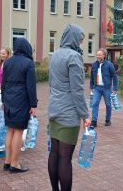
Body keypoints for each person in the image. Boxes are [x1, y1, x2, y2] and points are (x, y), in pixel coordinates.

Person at [48, 24, 91, 191]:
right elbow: (77, 90)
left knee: (54, 153)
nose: (80, 44)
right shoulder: (74, 57)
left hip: (54, 110)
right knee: (65, 158)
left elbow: (51, 84)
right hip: (68, 113)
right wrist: (85, 115)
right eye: (80, 40)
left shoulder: (55, 54)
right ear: (73, 38)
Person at [1, 38, 37, 173]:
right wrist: (33, 104)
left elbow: (3, 83)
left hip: (9, 98)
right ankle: (15, 163)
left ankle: (7, 161)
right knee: (18, 130)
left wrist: (3, 100)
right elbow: (31, 86)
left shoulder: (8, 62)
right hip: (21, 99)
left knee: (10, 130)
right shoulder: (28, 63)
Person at [89, 48, 118, 127]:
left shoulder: (109, 65)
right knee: (95, 103)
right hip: (97, 88)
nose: (97, 56)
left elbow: (114, 76)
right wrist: (91, 86)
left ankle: (108, 119)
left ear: (104, 55)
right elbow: (91, 76)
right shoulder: (94, 65)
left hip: (107, 88)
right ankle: (94, 121)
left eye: (99, 55)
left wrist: (115, 88)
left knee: (108, 104)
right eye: (97, 54)